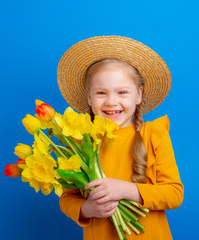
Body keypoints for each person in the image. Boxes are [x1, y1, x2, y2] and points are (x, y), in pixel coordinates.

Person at [57, 36, 184, 240]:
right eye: (101, 93)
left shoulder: (153, 134)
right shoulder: (79, 142)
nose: (111, 102)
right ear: (89, 98)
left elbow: (175, 194)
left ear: (139, 95)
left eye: (122, 92)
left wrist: (127, 190)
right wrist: (87, 209)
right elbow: (66, 198)